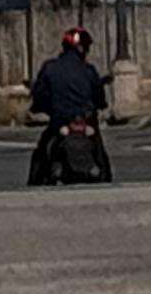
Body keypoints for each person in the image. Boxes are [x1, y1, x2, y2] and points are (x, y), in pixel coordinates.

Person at [27, 25, 113, 186]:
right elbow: (100, 98)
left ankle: (35, 184)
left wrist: (39, 107)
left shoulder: (50, 68)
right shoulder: (89, 70)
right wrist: (101, 105)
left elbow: (39, 96)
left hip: (60, 120)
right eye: (86, 48)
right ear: (81, 48)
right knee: (100, 152)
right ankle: (104, 178)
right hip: (86, 120)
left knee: (41, 154)